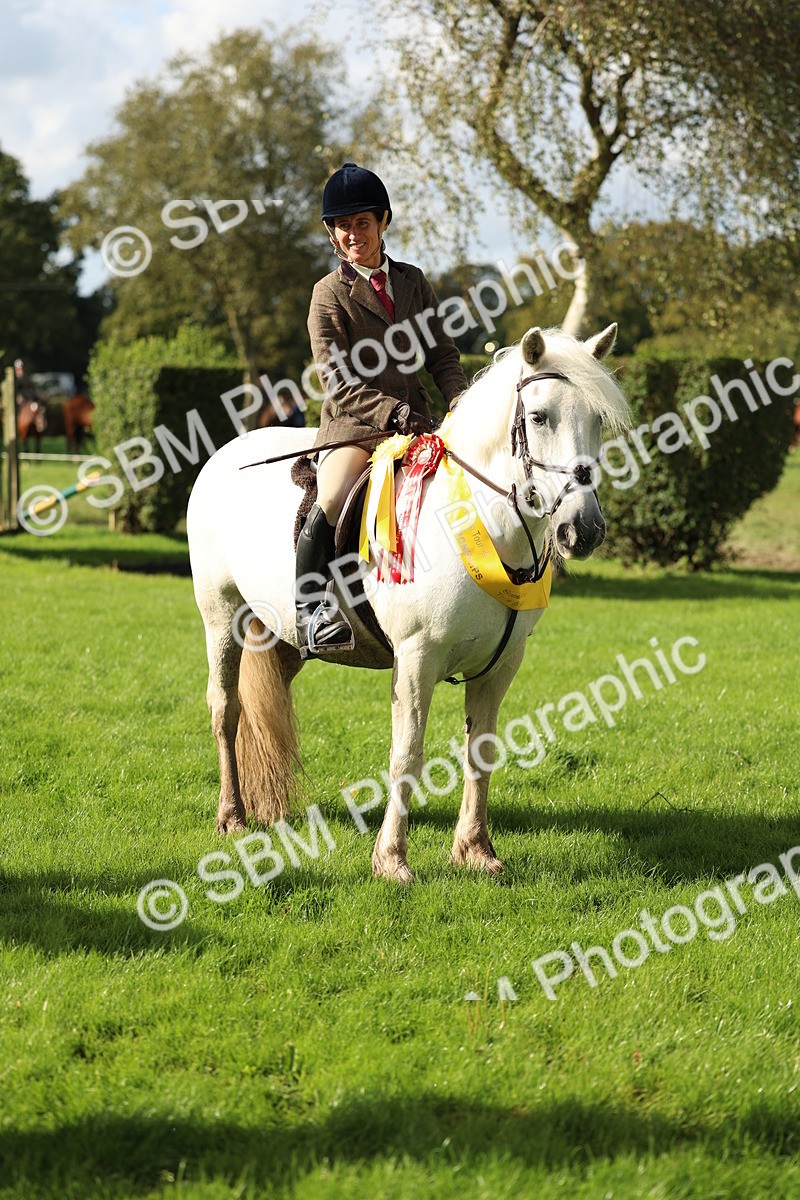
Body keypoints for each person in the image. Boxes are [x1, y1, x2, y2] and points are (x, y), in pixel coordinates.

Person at [295, 162, 468, 656]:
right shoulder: (328, 294)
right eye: (343, 226)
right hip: (355, 427)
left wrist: (459, 401)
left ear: (383, 221)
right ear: (333, 234)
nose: (353, 234)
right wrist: (393, 413)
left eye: (362, 223)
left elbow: (442, 356)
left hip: (418, 424)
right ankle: (311, 610)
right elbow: (337, 382)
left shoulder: (414, 281)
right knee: (332, 497)